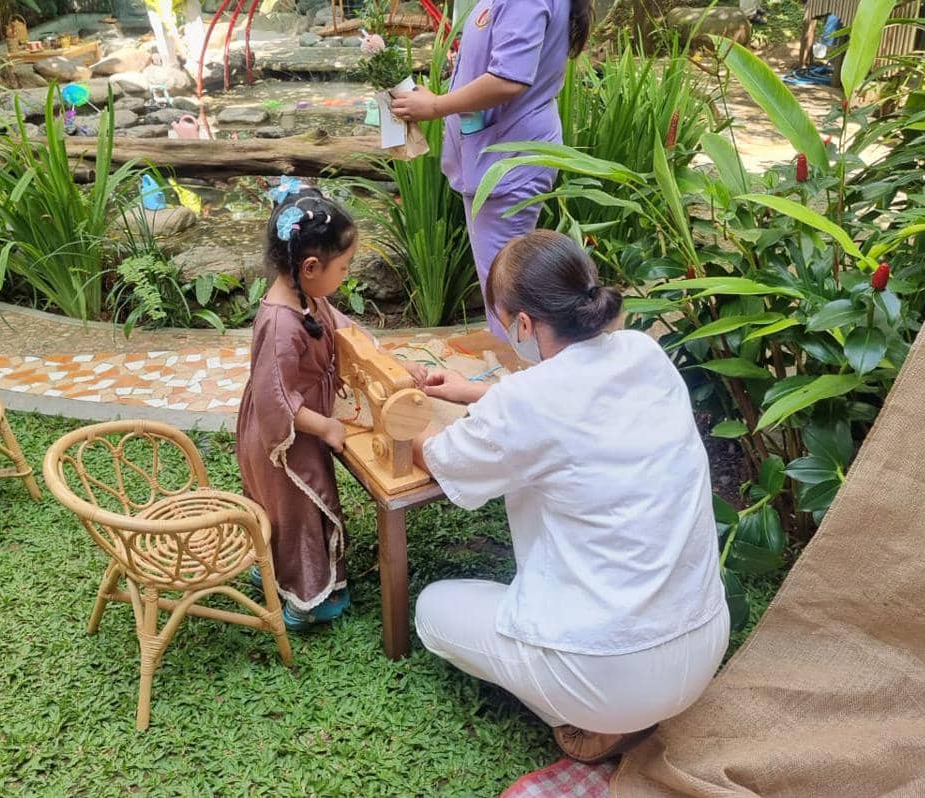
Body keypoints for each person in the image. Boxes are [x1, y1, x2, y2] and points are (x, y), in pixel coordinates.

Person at [411, 231, 729, 763]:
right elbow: (570, 402)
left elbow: (442, 459)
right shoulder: (644, 352)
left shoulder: (525, 402)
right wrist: (474, 393)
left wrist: (411, 423)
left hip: (609, 675)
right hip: (703, 641)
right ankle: (611, 711)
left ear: (526, 325)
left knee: (432, 610)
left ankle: (588, 725)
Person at [235, 180, 424, 631]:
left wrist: (386, 359)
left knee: (304, 508)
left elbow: (343, 330)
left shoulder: (308, 296)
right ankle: (304, 600)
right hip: (286, 436)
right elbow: (275, 399)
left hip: (306, 427)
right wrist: (326, 427)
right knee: (299, 510)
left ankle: (300, 576)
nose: (347, 275)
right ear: (311, 266)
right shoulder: (280, 324)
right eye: (345, 266)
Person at [388, 0, 591, 340]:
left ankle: (512, 373)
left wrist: (435, 105)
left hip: (507, 160)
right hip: (497, 156)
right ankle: (515, 368)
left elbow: (508, 79)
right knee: (501, 280)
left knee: (505, 289)